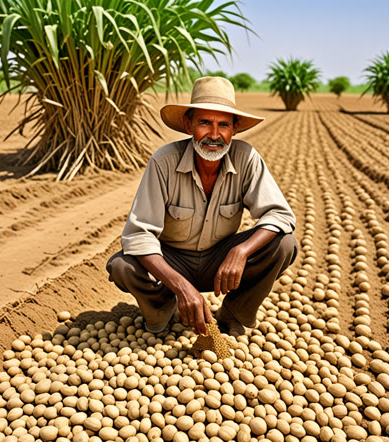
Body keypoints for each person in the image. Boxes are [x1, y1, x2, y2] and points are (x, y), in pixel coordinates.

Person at [107, 76, 297, 337]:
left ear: (235, 128)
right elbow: (138, 235)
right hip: (171, 260)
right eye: (205, 123)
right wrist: (180, 286)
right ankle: (162, 312)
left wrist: (241, 251)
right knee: (122, 266)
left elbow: (279, 214)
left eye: (223, 125)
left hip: (219, 263)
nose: (214, 135)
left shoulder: (246, 159)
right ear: (188, 125)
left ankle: (233, 313)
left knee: (284, 244)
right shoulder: (164, 162)